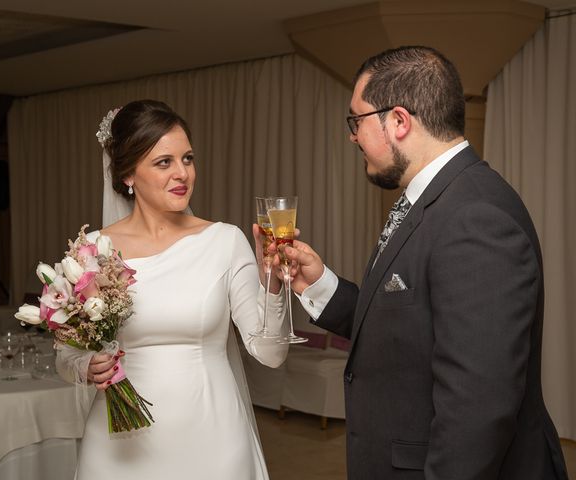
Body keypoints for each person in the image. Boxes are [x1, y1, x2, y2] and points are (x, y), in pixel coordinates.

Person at [282, 46, 568, 479]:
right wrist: (318, 283)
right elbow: (406, 328)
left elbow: (478, 409)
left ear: (398, 121)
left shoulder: (475, 217)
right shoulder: (435, 200)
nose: (352, 136)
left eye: (356, 120)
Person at [56, 99, 288, 480]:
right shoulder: (93, 250)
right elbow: (66, 358)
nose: (182, 173)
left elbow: (271, 353)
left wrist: (272, 278)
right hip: (119, 444)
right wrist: (86, 365)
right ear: (128, 173)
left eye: (188, 159)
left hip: (212, 438)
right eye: (164, 162)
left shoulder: (224, 242)